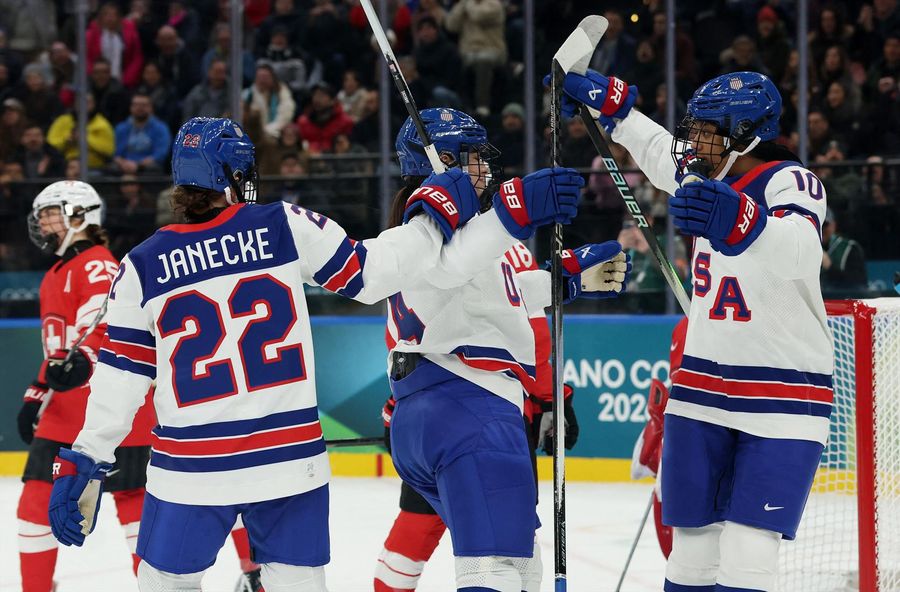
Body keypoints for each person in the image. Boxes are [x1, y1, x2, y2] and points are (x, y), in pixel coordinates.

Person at [46, 115, 581, 592]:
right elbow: (371, 275)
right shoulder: (281, 224)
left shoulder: (141, 264)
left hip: (191, 468)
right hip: (289, 462)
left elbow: (122, 375)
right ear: (237, 176)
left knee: (164, 583)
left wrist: (89, 454)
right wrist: (430, 218)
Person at [557, 69, 832, 591]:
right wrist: (615, 113)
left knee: (750, 553)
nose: (693, 140)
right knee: (690, 555)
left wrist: (740, 219)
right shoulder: (701, 171)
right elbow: (660, 150)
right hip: (702, 389)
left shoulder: (790, 182)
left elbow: (800, 251)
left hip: (784, 393)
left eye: (708, 129)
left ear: (745, 134)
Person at [376, 108, 629, 592]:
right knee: (495, 569)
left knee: (518, 565)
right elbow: (452, 269)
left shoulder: (431, 233)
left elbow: (494, 290)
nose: (484, 168)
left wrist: (566, 279)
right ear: (441, 159)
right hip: (471, 407)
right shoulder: (437, 223)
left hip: (433, 410)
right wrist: (515, 213)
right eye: (471, 158)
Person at [16, 180, 156, 592]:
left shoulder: (96, 262)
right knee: (34, 507)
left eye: (50, 214)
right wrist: (37, 392)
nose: (42, 224)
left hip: (108, 406)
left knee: (136, 508)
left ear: (80, 216)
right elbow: (63, 351)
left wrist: (84, 360)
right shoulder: (58, 270)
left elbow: (103, 324)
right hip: (65, 413)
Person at [820, 208, 867, 291]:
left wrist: (830, 268)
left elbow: (859, 283)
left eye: (825, 225)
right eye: (818, 225)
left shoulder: (849, 249)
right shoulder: (804, 249)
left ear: (833, 225)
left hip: (843, 300)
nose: (821, 229)